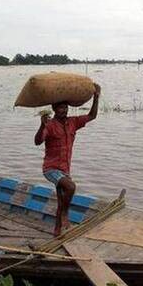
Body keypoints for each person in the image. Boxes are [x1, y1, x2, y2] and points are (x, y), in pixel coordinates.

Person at [34, 83, 101, 236]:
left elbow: (92, 116)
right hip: (51, 169)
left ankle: (57, 232)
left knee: (61, 200)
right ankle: (65, 215)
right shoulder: (49, 125)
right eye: (60, 108)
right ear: (54, 109)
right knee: (71, 187)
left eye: (66, 107)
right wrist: (41, 126)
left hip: (65, 169)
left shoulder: (73, 122)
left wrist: (96, 97)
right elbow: (38, 141)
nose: (64, 110)